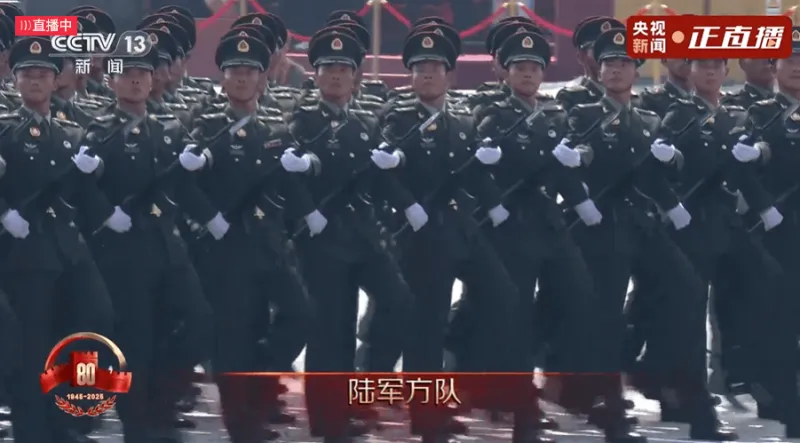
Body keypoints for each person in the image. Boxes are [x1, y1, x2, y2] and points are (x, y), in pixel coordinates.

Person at [376, 28, 523, 443]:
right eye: (420, 68)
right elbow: (384, 169)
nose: (427, 74)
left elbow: (472, 170)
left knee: (503, 296)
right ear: (410, 75)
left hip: (464, 228)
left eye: (435, 68)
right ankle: (426, 415)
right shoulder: (399, 117)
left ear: (449, 75)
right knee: (427, 324)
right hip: (424, 232)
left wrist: (493, 201)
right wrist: (407, 205)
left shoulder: (461, 118)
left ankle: (460, 362)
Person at [471, 28, 604, 441]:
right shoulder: (494, 114)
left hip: (550, 223)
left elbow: (564, 164)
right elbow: (477, 162)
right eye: (520, 67)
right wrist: (492, 202)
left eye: (534, 67)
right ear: (506, 72)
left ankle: (549, 378)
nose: (528, 74)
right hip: (513, 225)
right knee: (516, 316)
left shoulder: (552, 113)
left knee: (579, 295)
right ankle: (519, 406)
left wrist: (580, 197)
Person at [288, 26, 419, 443]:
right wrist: (307, 212)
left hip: (363, 233)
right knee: (331, 330)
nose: (336, 76)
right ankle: (328, 419)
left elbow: (379, 172)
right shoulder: (303, 119)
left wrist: (405, 198)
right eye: (329, 68)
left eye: (344, 69)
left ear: (355, 76)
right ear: (316, 74)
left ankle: (369, 377)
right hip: (323, 235)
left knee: (400, 303)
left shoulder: (366, 120)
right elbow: (285, 174)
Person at [183, 34, 315, 442]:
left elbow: (290, 178)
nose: (242, 78)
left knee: (301, 314)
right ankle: (243, 426)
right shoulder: (207, 126)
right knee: (234, 336)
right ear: (223, 78)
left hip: (270, 245)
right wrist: (210, 219)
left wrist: (308, 188)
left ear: (263, 78)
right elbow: (184, 182)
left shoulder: (276, 126)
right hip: (228, 250)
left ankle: (261, 371)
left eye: (249, 71)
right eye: (234, 71)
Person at [0, 36, 114, 443]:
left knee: (94, 320)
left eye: (43, 74)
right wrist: (4, 214)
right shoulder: (5, 129)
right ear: (16, 81)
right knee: (34, 346)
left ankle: (69, 414)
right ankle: (34, 430)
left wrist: (98, 181)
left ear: (55, 80)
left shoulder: (71, 131)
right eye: (28, 74)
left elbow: (84, 190)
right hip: (28, 252)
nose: (35, 80)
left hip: (70, 249)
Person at [736, 28, 800, 436]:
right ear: (775, 67)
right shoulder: (761, 112)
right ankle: (787, 406)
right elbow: (743, 162)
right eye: (790, 61)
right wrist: (765, 207)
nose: (797, 68)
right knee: (783, 321)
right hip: (783, 228)